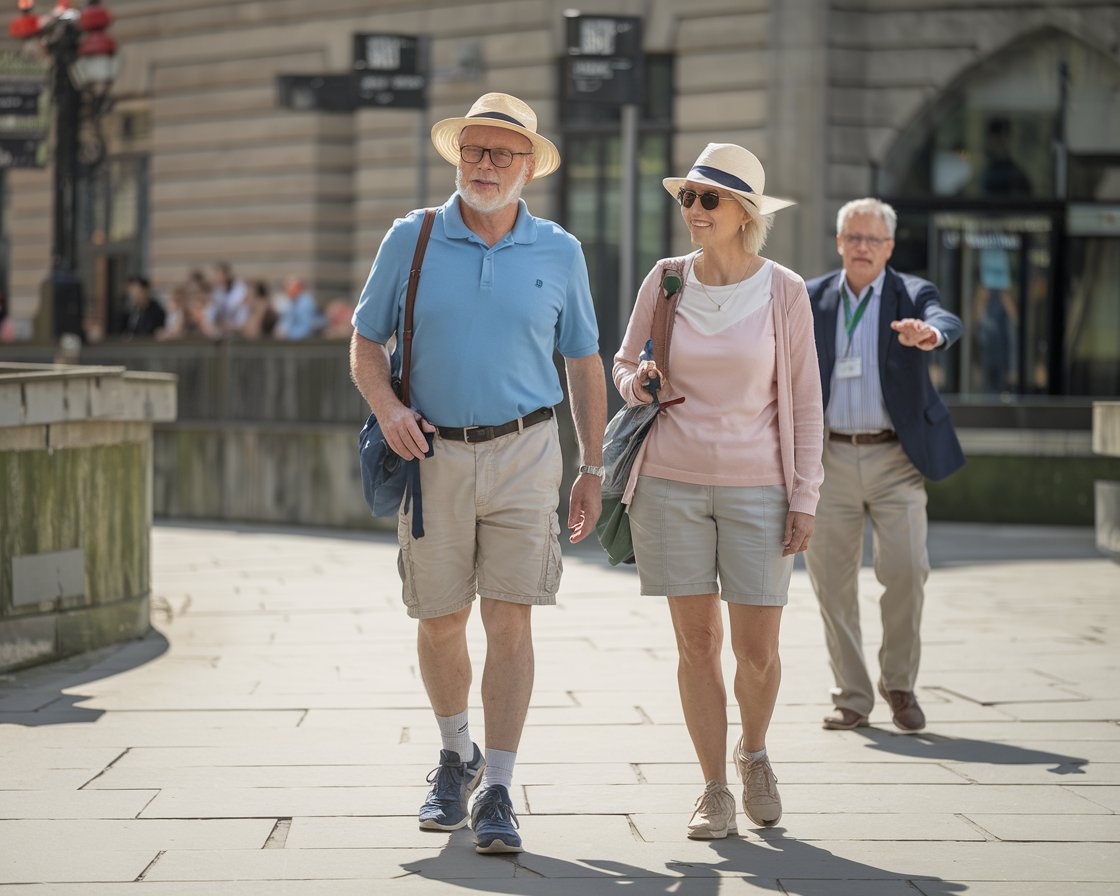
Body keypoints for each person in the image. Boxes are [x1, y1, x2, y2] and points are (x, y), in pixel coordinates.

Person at [348, 93, 606, 855]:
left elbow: (584, 361)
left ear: (529, 167)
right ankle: (452, 755)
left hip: (529, 454)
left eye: (500, 154)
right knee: (438, 619)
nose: (484, 166)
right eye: (473, 151)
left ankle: (498, 785)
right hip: (434, 455)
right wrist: (389, 407)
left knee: (512, 617)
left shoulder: (560, 250)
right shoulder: (413, 238)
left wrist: (593, 464)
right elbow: (365, 345)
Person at [613, 143, 823, 839]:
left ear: (744, 214)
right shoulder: (667, 278)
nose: (694, 211)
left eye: (709, 199)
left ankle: (754, 755)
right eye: (688, 198)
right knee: (696, 644)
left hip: (759, 488)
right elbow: (624, 361)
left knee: (757, 651)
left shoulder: (784, 290)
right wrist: (636, 382)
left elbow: (805, 402)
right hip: (669, 483)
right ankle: (712, 788)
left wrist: (805, 495)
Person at [805, 198, 965, 735]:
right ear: (839, 243)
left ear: (890, 248)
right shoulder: (813, 296)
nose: (862, 248)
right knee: (831, 582)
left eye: (873, 240)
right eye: (853, 237)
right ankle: (851, 695)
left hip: (895, 458)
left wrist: (931, 334)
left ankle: (899, 685)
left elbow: (946, 318)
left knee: (906, 572)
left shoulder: (910, 293)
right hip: (827, 459)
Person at [204, 261, 249, 335]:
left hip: (236, 321)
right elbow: (215, 308)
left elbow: (236, 305)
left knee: (244, 308)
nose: (218, 277)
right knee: (210, 307)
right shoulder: (218, 290)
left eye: (220, 274)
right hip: (223, 322)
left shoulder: (239, 286)